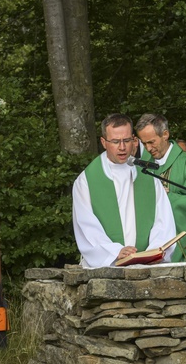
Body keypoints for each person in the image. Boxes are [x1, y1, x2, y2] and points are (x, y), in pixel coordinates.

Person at [72, 113, 177, 268]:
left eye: (126, 140)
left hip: (145, 267)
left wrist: (151, 253)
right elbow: (86, 226)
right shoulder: (87, 180)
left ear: (134, 140)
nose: (122, 147)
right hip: (107, 267)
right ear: (103, 142)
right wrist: (115, 251)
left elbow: (163, 221)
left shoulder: (147, 175)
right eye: (115, 141)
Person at [135, 113, 186, 262]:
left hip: (181, 243)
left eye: (152, 142)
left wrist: (166, 198)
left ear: (165, 134)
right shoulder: (144, 165)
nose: (148, 148)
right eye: (144, 143)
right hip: (152, 243)